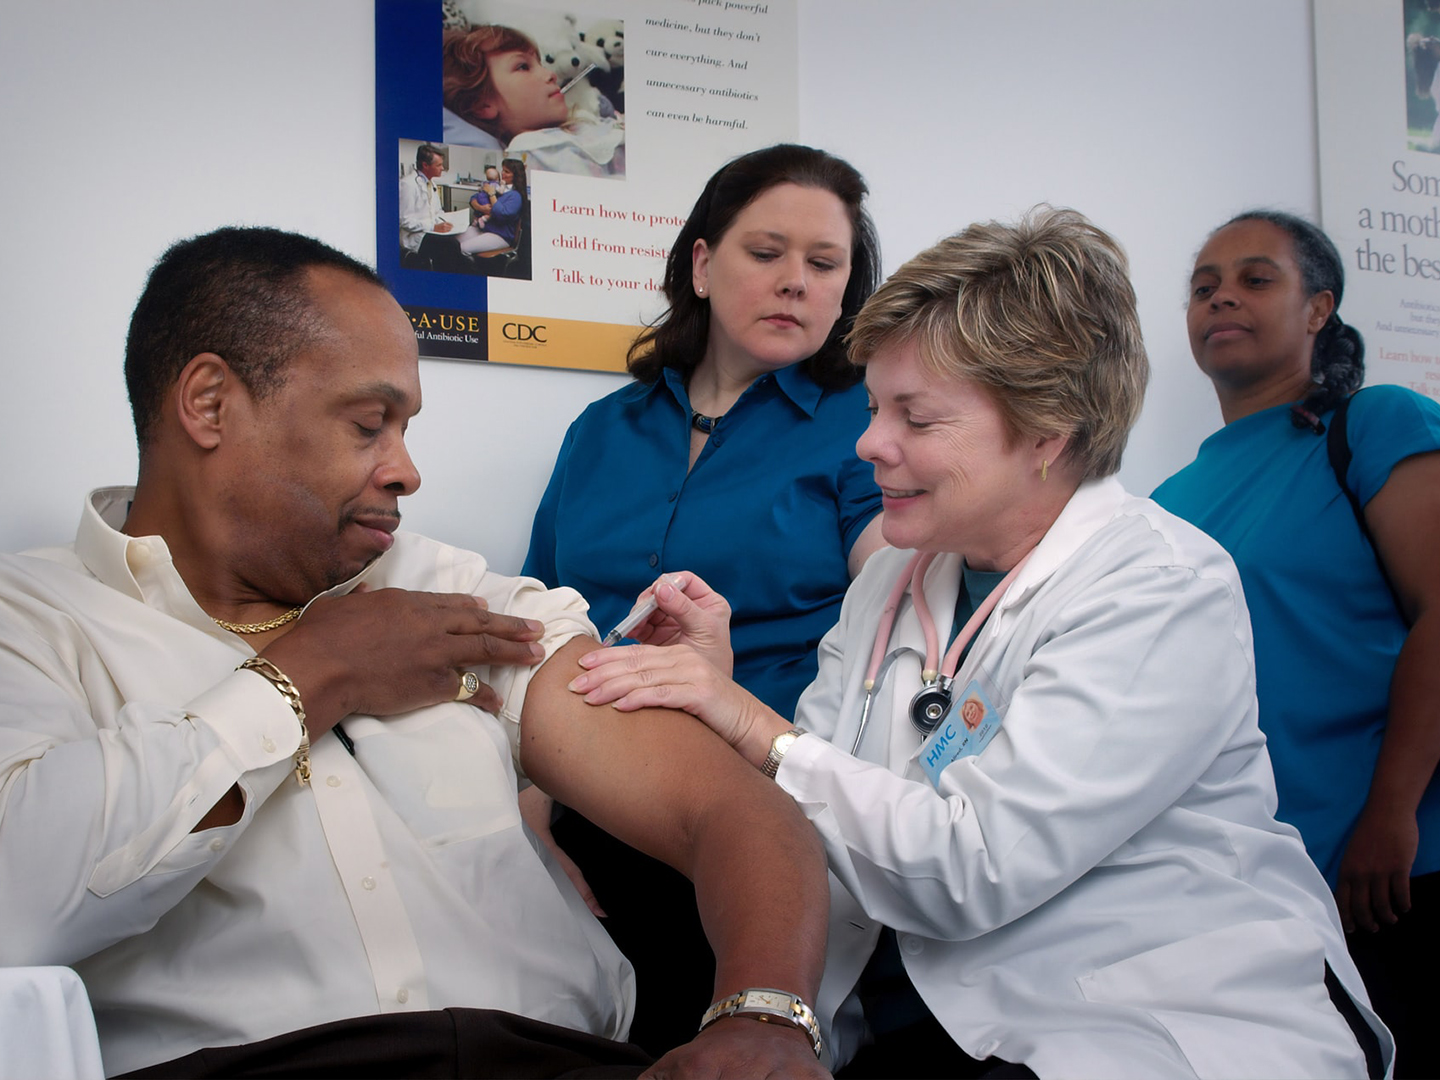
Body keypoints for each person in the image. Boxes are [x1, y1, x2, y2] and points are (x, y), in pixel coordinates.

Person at [567, 207, 1393, 1078]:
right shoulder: (896, 580)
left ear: (1048, 433)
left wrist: (744, 721)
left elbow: (974, 868)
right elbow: (812, 816)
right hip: (908, 1020)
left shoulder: (1160, 583)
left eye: (915, 419)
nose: (868, 443)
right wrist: (717, 699)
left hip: (1138, 1022)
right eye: (876, 405)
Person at [0, 226, 833, 1079]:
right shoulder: (31, 624)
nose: (406, 471)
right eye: (369, 424)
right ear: (209, 403)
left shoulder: (456, 595)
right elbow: (23, 902)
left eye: (406, 426)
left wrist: (763, 1016)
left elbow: (731, 812)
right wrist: (313, 672)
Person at [520, 143, 885, 1055]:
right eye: (767, 253)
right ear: (701, 263)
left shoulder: (874, 427)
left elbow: (902, 612)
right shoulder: (603, 430)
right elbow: (533, 624)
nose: (795, 282)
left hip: (770, 808)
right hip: (588, 796)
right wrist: (527, 805)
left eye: (824, 263)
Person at [1153, 209, 1440, 1077]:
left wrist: (1392, 814)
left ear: (1319, 309)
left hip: (1392, 871)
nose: (1221, 298)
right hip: (1255, 893)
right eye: (1203, 288)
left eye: (1254, 279)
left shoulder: (1373, 426)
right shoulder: (1166, 498)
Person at [442, 25, 624, 179]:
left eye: (540, 64)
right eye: (523, 67)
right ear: (483, 104)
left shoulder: (568, 127)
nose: (550, 74)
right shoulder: (536, 151)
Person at [460, 157, 526, 256]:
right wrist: (480, 207)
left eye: (507, 172)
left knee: (463, 248)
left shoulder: (515, 196)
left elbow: (501, 214)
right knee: (454, 241)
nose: (502, 173)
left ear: (515, 176)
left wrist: (491, 194)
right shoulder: (497, 185)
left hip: (500, 235)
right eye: (503, 170)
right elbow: (474, 197)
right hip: (484, 228)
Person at [399, 143, 452, 264]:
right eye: (439, 165)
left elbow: (437, 211)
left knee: (453, 241)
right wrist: (433, 227)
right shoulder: (408, 185)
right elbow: (404, 221)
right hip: (414, 237)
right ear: (425, 165)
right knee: (450, 245)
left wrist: (446, 222)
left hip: (430, 231)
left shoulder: (431, 184)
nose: (442, 168)